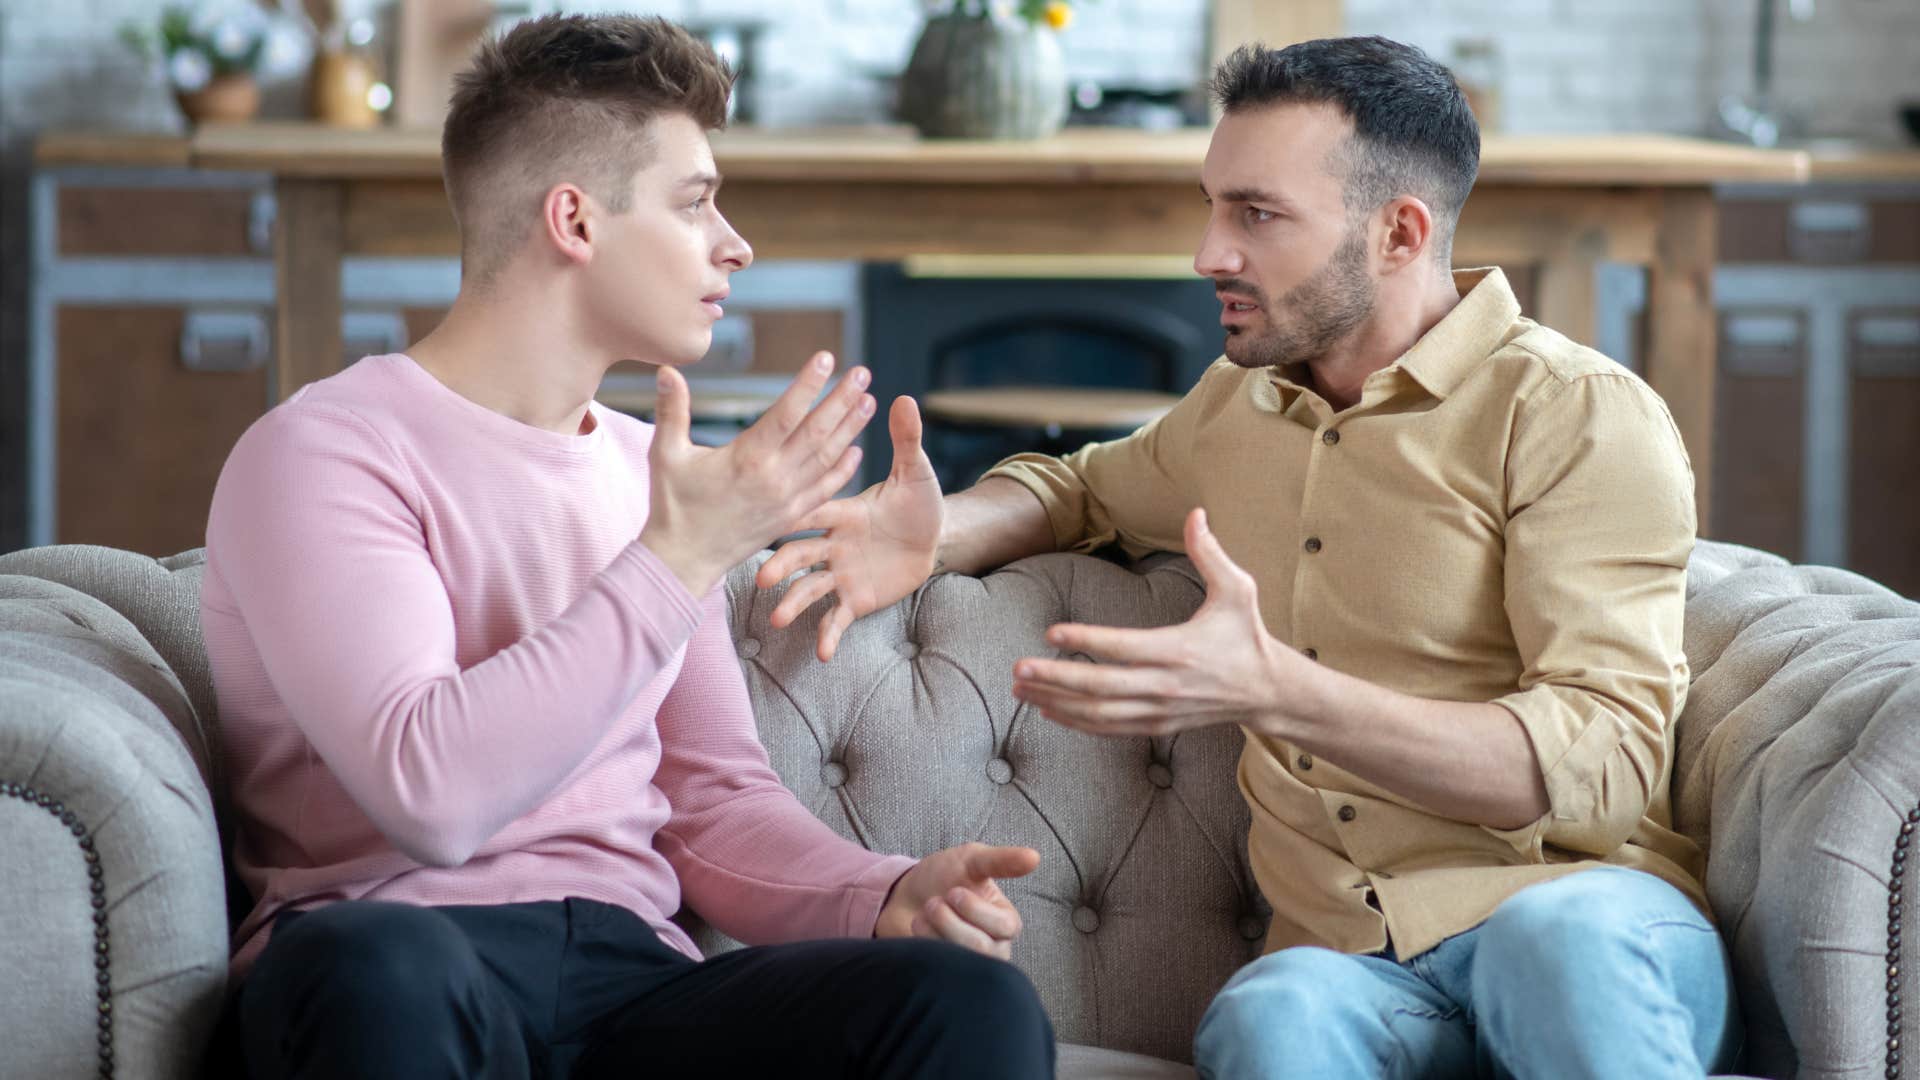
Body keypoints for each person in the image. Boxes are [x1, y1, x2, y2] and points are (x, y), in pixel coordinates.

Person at [760, 35, 1741, 1079]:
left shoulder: (1575, 415)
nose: (1208, 253)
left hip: (1590, 920)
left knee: (1556, 947)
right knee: (1272, 1012)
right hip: (1361, 964)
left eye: (1257, 215)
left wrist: (1282, 692)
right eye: (1215, 205)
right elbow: (1080, 488)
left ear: (1399, 232)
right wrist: (943, 531)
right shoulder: (1239, 409)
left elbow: (1607, 759)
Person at [200, 14, 1054, 1080]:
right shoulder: (323, 453)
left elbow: (709, 808)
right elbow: (427, 795)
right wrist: (677, 558)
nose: (733, 243)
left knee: (967, 1004)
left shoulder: (652, 473)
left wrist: (880, 892)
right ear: (574, 221)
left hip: (629, 981)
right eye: (695, 203)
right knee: (380, 966)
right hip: (396, 963)